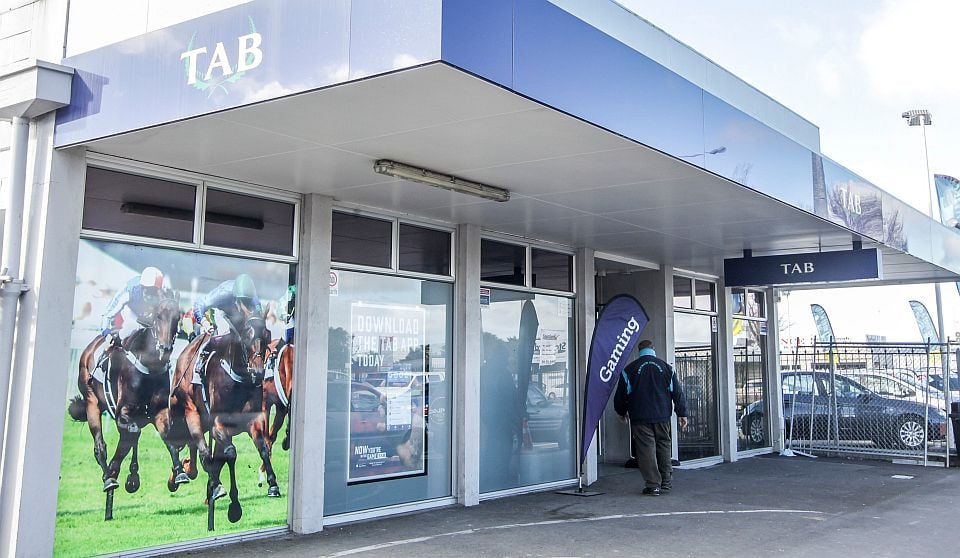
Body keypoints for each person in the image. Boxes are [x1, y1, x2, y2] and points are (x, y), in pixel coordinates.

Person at [614, 339, 688, 496]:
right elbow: (677, 392)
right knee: (664, 447)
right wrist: (682, 413)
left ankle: (653, 485)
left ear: (638, 351)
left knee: (646, 450)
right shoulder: (667, 368)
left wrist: (621, 412)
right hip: (662, 416)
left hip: (640, 417)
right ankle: (666, 482)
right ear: (653, 349)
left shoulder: (629, 370)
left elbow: (621, 396)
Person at [99, 266, 168, 348]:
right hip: (131, 311)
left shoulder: (161, 292)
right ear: (142, 286)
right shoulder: (129, 290)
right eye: (148, 290)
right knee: (132, 326)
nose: (150, 294)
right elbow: (108, 313)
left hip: (148, 315)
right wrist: (106, 332)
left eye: (154, 291)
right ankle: (115, 344)